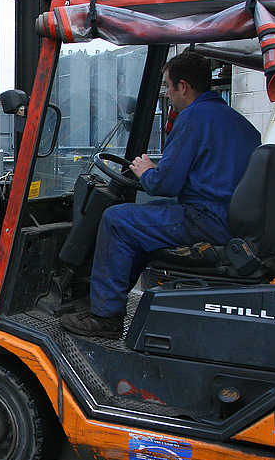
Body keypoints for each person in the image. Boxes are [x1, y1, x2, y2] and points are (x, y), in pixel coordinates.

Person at [60, 52, 261, 339]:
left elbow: (165, 183)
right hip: (229, 217)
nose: (167, 94)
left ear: (183, 86)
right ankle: (107, 299)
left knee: (117, 219)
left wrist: (146, 171)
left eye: (167, 86)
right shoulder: (239, 122)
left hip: (207, 219)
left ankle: (105, 316)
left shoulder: (192, 118)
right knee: (143, 221)